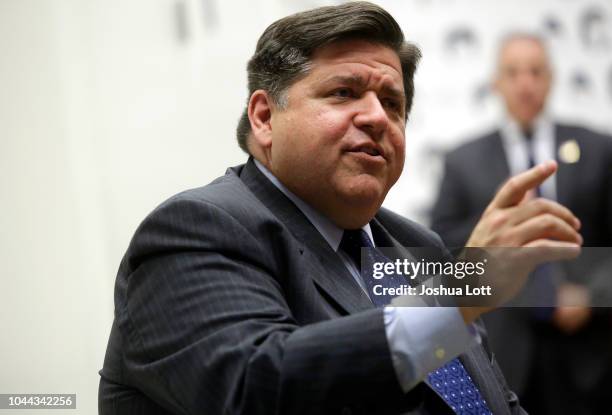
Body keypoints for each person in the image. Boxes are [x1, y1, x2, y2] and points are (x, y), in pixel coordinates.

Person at [99, 5, 582, 414]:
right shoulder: (198, 228)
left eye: (392, 103)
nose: (376, 117)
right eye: (343, 93)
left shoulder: (418, 247)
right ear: (265, 117)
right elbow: (257, 389)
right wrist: (453, 297)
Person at [431, 33, 612, 414]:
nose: (525, 83)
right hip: (502, 347)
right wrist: (501, 225)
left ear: (551, 78)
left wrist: (592, 297)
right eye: (513, 73)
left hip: (587, 350)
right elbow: (441, 248)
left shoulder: (598, 150)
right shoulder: (463, 161)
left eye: (536, 71)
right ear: (496, 82)